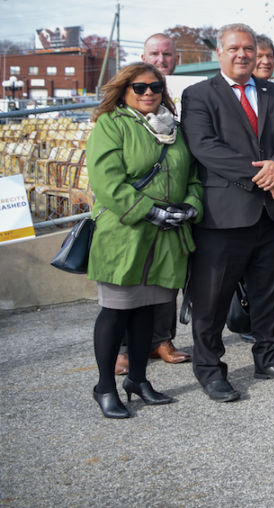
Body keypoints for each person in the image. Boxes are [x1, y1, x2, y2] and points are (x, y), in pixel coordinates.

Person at [180, 23, 274, 402]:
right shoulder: (199, 94)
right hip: (223, 217)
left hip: (273, 214)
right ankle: (209, 369)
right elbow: (205, 147)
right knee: (212, 299)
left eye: (249, 48)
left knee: (269, 294)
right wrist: (265, 175)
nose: (242, 54)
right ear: (219, 53)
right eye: (234, 48)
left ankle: (268, 358)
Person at [86, 63, 202, 418]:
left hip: (167, 239)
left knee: (147, 315)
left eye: (155, 86)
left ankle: (137, 379)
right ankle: (105, 385)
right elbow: (106, 182)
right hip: (125, 236)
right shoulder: (111, 125)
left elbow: (194, 178)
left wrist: (190, 208)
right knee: (116, 312)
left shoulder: (175, 129)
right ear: (123, 91)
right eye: (139, 87)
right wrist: (149, 211)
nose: (148, 92)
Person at [110, 34, 188, 376]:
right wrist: (148, 208)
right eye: (154, 54)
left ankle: (162, 338)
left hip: (172, 214)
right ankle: (124, 348)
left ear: (176, 59)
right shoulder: (116, 117)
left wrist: (188, 204)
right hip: (133, 216)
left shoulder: (176, 103)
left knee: (166, 279)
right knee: (127, 284)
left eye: (167, 54)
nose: (161, 58)